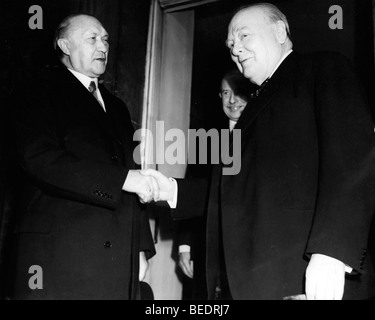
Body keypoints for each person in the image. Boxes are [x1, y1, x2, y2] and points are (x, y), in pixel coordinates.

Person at [143, 3, 375, 300]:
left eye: (243, 36)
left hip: (312, 277)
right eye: (230, 44)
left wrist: (331, 252)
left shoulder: (323, 69)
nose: (235, 49)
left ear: (279, 31)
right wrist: (171, 190)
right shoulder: (252, 109)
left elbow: (354, 160)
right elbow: (231, 190)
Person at [6, 14, 159, 300]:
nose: (103, 46)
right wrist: (123, 179)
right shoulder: (37, 89)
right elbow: (39, 159)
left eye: (106, 40)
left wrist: (140, 247)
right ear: (65, 45)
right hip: (56, 259)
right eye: (92, 39)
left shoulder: (117, 107)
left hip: (113, 262)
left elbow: (131, 171)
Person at [176, 69, 250, 300]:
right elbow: (191, 191)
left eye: (238, 93)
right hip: (208, 250)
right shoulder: (205, 137)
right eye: (225, 93)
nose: (232, 100)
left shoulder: (266, 133)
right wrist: (185, 247)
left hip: (249, 251)